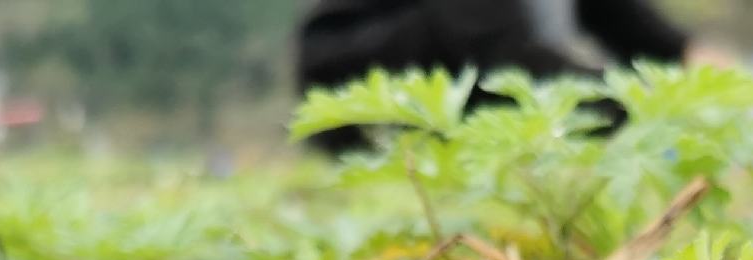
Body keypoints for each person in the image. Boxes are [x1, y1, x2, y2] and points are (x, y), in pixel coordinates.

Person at [297, 0, 721, 128]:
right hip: (360, 93)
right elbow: (513, 61)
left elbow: (614, 14)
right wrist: (646, 106)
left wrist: (685, 52)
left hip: (483, 66)